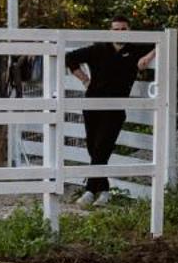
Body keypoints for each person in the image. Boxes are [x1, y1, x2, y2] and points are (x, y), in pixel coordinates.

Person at [63, 16, 155, 206]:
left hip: (115, 107)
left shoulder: (135, 48)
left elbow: (161, 43)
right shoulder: (98, 48)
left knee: (102, 146)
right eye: (116, 29)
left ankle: (89, 191)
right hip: (92, 105)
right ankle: (104, 192)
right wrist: (84, 80)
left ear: (129, 30)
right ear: (110, 31)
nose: (120, 33)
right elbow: (70, 58)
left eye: (123, 29)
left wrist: (148, 57)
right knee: (93, 147)